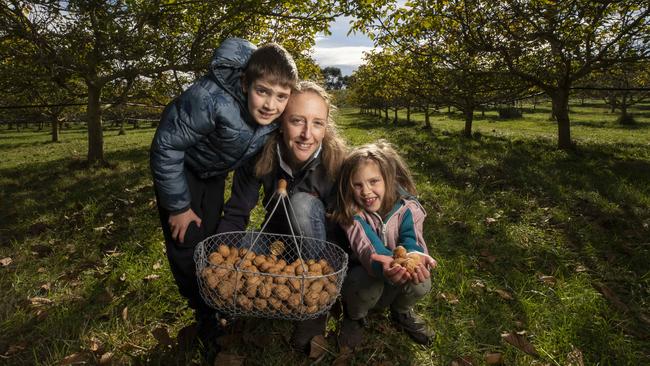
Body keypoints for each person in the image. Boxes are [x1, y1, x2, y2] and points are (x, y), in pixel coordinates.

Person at [149, 37, 299, 346]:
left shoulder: (272, 119)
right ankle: (203, 312)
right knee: (186, 238)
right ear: (245, 84)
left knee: (209, 237)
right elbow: (166, 146)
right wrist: (178, 206)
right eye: (262, 92)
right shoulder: (210, 99)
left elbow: (258, 161)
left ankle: (215, 297)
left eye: (281, 96)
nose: (271, 105)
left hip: (214, 172)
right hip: (182, 167)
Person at [217, 80, 348, 353]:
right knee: (242, 247)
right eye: (297, 121)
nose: (306, 134)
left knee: (301, 204)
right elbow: (238, 211)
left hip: (320, 255)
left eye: (317, 123)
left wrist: (326, 280)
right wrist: (221, 254)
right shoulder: (261, 156)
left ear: (326, 126)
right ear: (280, 122)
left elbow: (345, 228)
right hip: (278, 245)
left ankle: (314, 309)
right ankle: (261, 296)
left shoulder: (338, 164)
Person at [332, 141, 438, 349]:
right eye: (358, 185)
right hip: (365, 276)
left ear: (389, 180)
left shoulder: (407, 208)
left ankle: (401, 312)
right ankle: (355, 317)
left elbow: (411, 237)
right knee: (364, 284)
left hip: (396, 278)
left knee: (421, 279)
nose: (366, 191)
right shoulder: (353, 214)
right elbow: (366, 245)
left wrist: (415, 254)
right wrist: (384, 263)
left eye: (374, 181)